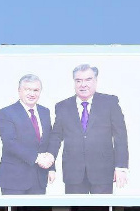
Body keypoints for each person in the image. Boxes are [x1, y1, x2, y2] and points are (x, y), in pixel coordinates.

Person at [45, 64, 128, 194]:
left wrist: (121, 166)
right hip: (73, 174)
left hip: (103, 172)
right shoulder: (62, 107)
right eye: (79, 80)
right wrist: (50, 163)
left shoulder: (110, 103)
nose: (83, 84)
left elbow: (120, 136)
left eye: (88, 80)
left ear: (95, 81)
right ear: (74, 82)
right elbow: (56, 137)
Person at [0, 74, 54, 195]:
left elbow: (48, 141)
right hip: (14, 179)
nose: (32, 93)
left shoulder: (45, 112)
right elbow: (10, 143)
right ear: (19, 91)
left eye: (36, 90)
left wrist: (51, 167)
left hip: (39, 178)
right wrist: (37, 158)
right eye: (27, 89)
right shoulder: (7, 112)